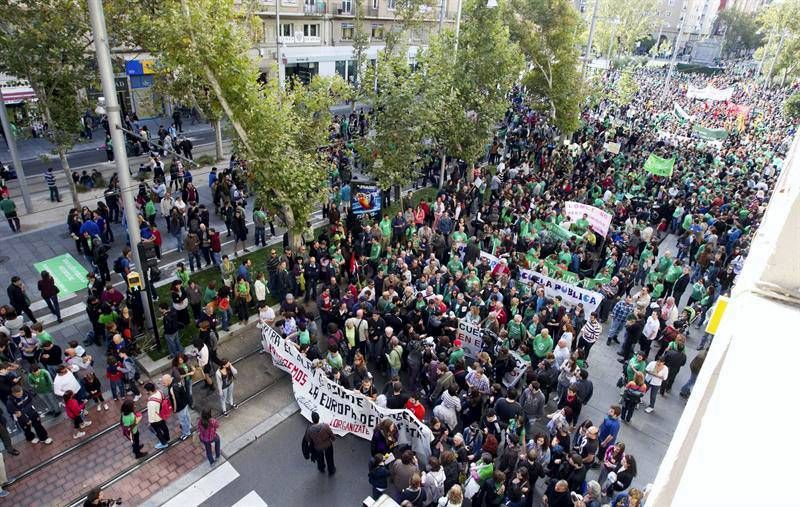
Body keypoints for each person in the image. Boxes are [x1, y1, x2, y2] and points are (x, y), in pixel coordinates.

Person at [164, 374, 191, 439]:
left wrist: (175, 410)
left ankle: (186, 433)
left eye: (164, 383)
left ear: (168, 380)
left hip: (180, 407)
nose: (163, 384)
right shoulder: (176, 380)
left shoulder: (172, 389)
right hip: (185, 402)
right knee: (187, 416)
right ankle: (189, 426)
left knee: (183, 420)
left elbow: (175, 401)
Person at [145, 382, 170, 449]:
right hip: (162, 415)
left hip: (156, 419)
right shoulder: (160, 392)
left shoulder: (151, 402)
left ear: (149, 391)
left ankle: (164, 443)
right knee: (164, 428)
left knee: (157, 431)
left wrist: (150, 422)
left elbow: (151, 415)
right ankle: (167, 438)